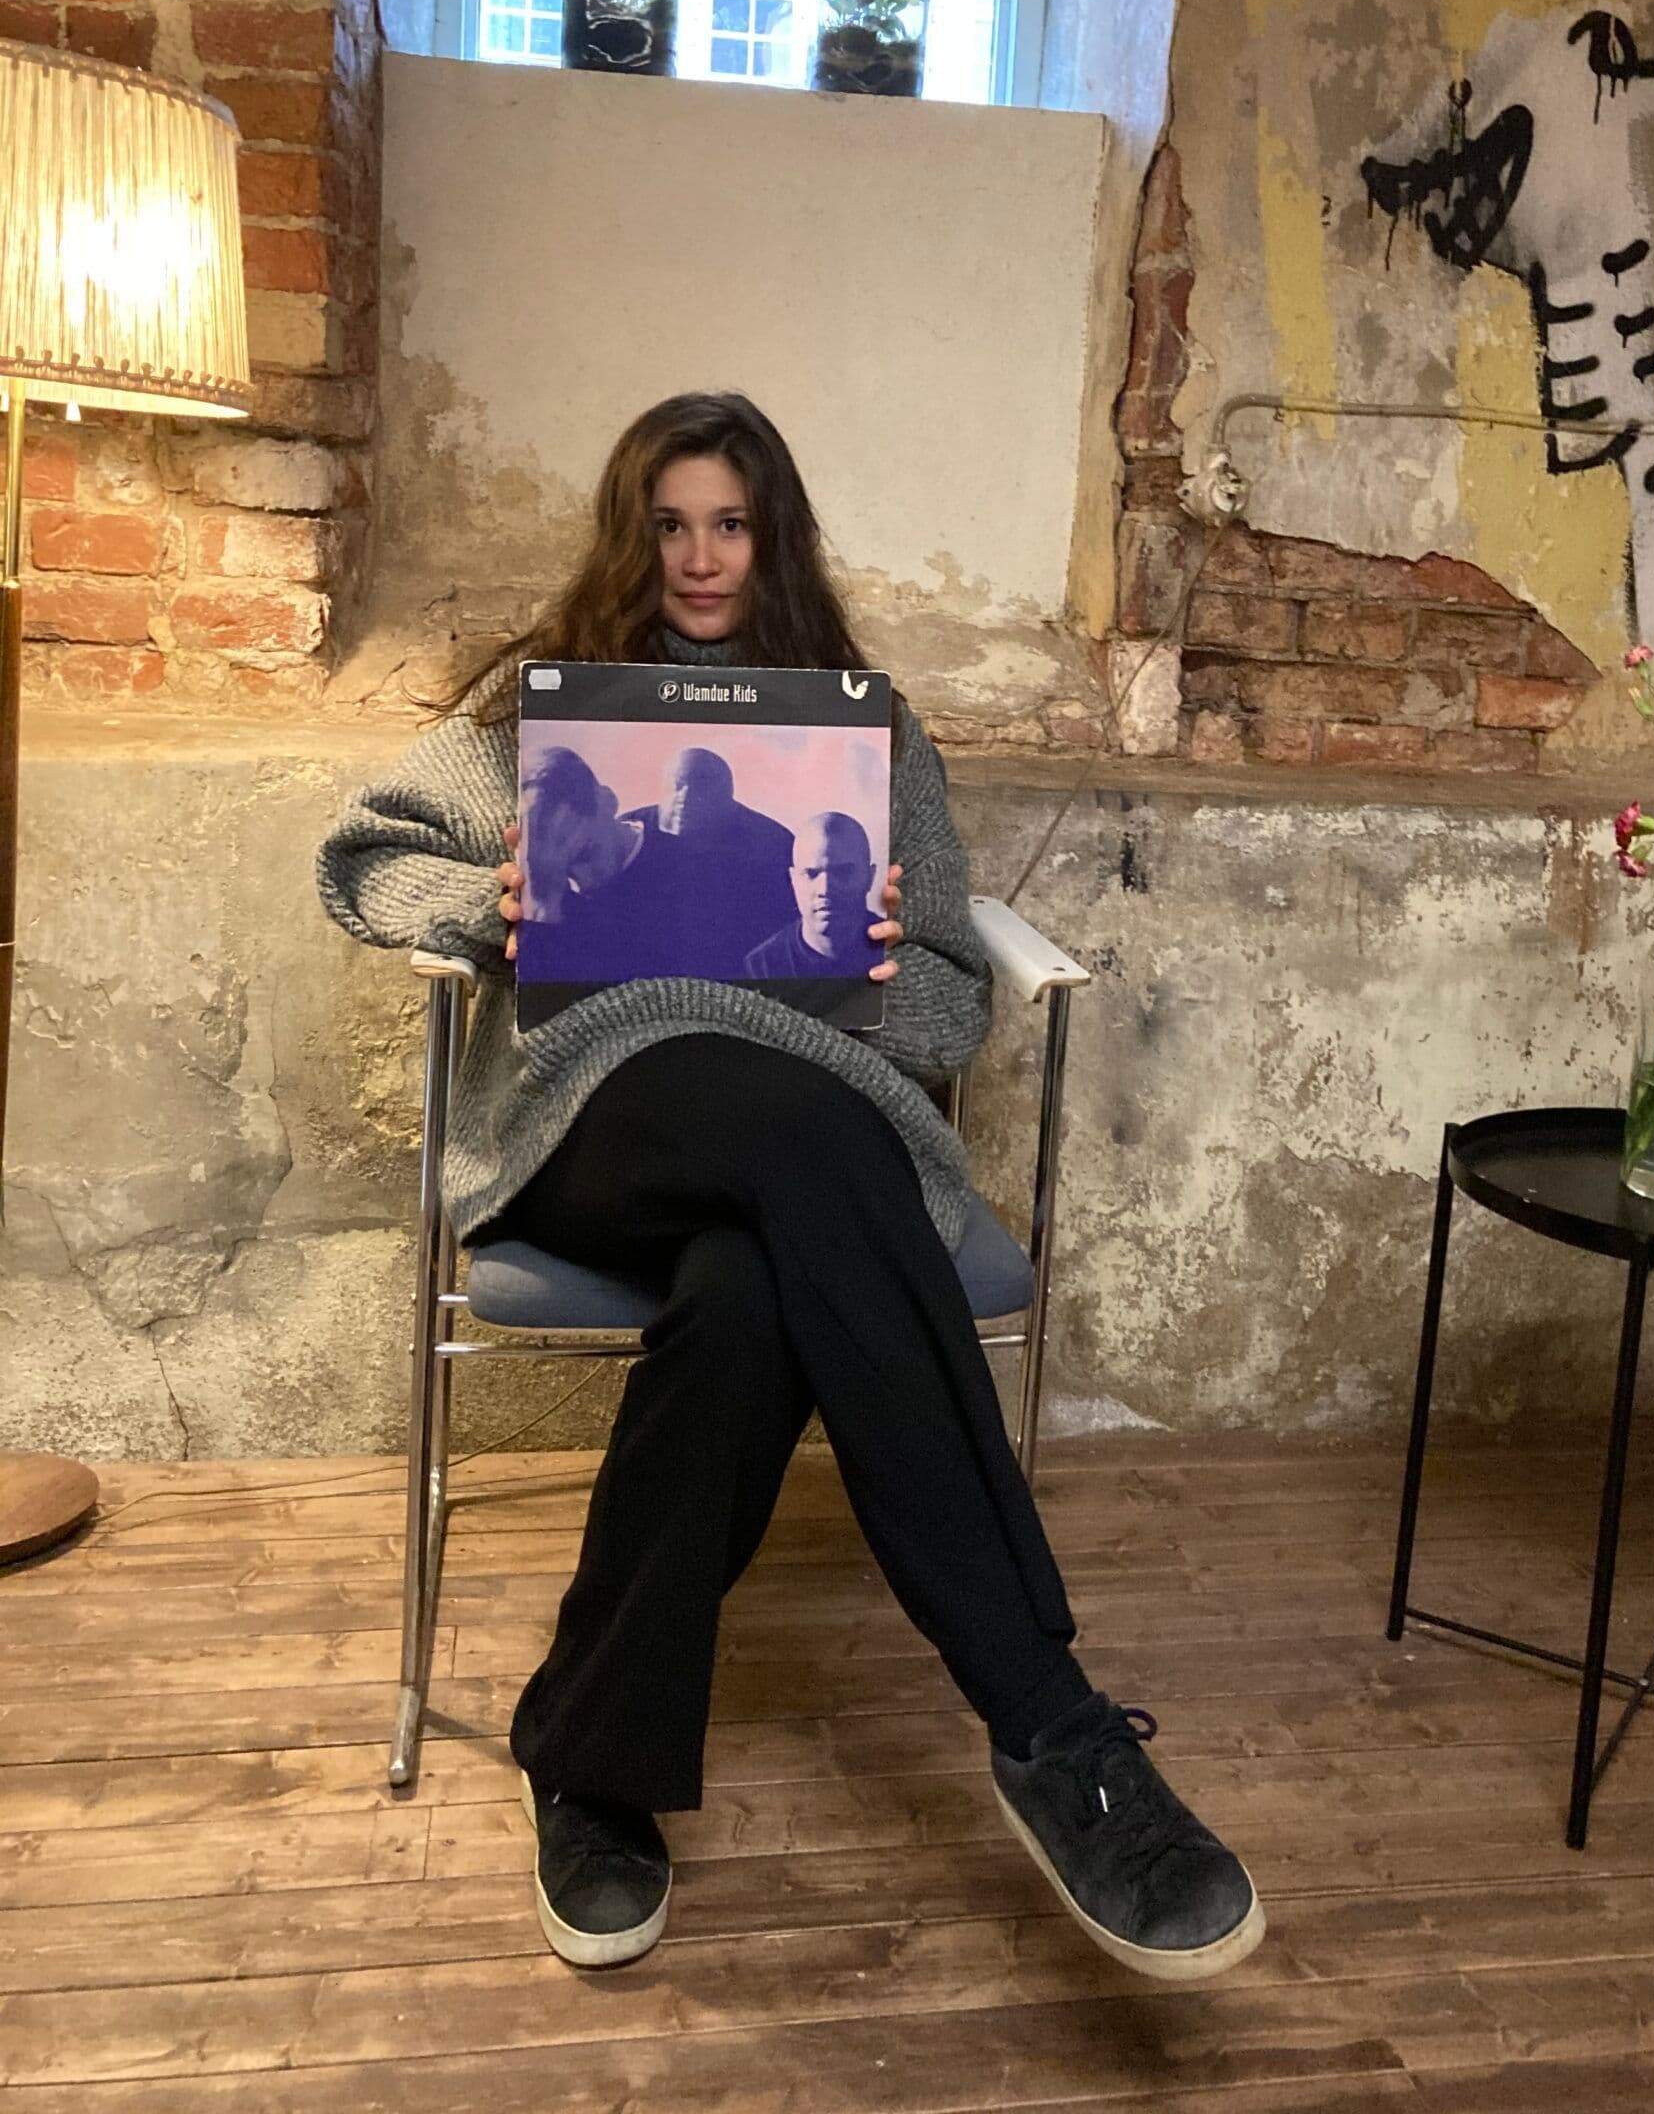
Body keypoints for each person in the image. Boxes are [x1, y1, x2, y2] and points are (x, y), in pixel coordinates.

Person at [316, 389, 1262, 1983]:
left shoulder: (866, 741)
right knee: (805, 1143)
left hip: (807, 1135)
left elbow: (949, 1001)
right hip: (596, 1107)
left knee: (749, 1295)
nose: (700, 557)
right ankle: (1054, 1724)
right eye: (670, 525)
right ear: (632, 538)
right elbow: (362, 859)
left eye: (731, 525)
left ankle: (588, 1757)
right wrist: (494, 899)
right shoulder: (543, 722)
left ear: (776, 541)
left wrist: (880, 960)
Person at [627, 745, 794, 975]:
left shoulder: (771, 844)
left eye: (701, 789)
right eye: (677, 786)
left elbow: (787, 930)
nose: (684, 799)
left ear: (728, 798)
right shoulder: (627, 836)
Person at [514, 742, 669, 986]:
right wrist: (543, 904)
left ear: (608, 802)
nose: (582, 880)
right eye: (567, 870)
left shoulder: (687, 857)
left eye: (587, 853)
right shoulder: (548, 884)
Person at [744, 809, 879, 979]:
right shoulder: (762, 967)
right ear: (793, 880)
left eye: (843, 872)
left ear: (870, 877)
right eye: (811, 874)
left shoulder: (892, 948)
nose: (825, 890)